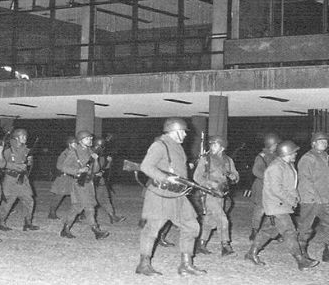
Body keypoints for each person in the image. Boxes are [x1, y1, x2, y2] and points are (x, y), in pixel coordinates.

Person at [135, 118, 205, 277]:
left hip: (177, 195)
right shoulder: (160, 145)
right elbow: (146, 166)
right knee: (152, 229)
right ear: (174, 131)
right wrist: (165, 178)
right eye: (183, 132)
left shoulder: (177, 147)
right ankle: (143, 264)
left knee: (192, 226)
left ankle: (186, 264)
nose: (185, 135)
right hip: (160, 195)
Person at [244, 140, 319, 270]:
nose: (296, 154)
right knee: (290, 231)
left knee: (269, 231)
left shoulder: (287, 165)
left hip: (282, 205)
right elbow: (276, 189)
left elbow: (290, 185)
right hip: (276, 205)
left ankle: (251, 253)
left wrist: (296, 197)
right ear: (286, 153)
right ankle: (300, 260)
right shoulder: (275, 167)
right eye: (294, 152)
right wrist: (291, 199)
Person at [297, 131, 329, 264]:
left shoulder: (327, 157)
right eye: (320, 141)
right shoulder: (307, 158)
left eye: (325, 141)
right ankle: (302, 254)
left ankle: (328, 252)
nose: (324, 143)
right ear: (313, 144)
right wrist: (312, 198)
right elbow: (305, 180)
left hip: (326, 199)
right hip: (311, 199)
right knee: (305, 228)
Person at [58, 130, 109, 240]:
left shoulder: (91, 151)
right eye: (87, 139)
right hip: (79, 183)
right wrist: (79, 170)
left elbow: (96, 170)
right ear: (80, 141)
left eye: (91, 138)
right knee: (89, 207)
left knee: (77, 207)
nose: (90, 140)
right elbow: (64, 167)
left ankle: (65, 229)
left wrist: (95, 160)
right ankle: (96, 230)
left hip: (89, 183)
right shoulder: (74, 152)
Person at [193, 135, 239, 256]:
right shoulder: (205, 160)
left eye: (215, 144)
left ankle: (201, 244)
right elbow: (196, 177)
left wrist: (233, 177)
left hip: (222, 194)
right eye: (211, 144)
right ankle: (225, 246)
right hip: (208, 194)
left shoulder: (228, 160)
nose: (212, 147)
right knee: (222, 219)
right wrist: (209, 183)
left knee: (209, 220)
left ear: (222, 147)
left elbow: (235, 176)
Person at [0, 128, 39, 232]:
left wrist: (29, 162)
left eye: (25, 136)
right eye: (23, 136)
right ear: (16, 138)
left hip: (23, 180)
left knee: (29, 200)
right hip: (10, 179)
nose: (25, 138)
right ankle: (0, 222)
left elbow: (29, 166)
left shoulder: (26, 150)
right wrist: (15, 166)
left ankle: (27, 223)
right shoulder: (7, 150)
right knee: (8, 202)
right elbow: (0, 164)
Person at [249, 132, 280, 241]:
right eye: (275, 144)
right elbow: (256, 171)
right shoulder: (261, 157)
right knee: (260, 210)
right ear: (270, 144)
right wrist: (269, 178)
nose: (277, 146)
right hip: (262, 187)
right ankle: (254, 231)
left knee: (274, 209)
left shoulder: (277, 156)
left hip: (273, 188)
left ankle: (274, 232)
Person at [92, 136, 126, 224]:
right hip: (91, 182)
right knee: (91, 201)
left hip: (100, 182)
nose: (101, 149)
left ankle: (112, 216)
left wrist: (109, 162)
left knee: (106, 199)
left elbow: (104, 168)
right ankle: (81, 215)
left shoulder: (102, 157)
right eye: (99, 147)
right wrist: (95, 174)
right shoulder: (90, 155)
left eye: (102, 147)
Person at [47, 136, 77, 220]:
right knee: (59, 196)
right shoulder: (65, 154)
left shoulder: (76, 153)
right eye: (75, 144)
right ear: (70, 145)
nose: (77, 145)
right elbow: (59, 166)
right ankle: (52, 212)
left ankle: (76, 215)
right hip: (64, 178)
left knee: (77, 197)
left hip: (73, 178)